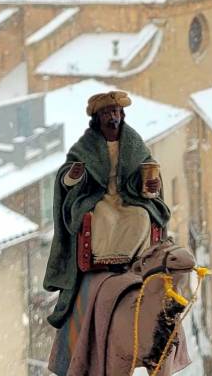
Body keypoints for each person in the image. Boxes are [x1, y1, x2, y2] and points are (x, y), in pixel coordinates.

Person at [42, 90, 170, 330]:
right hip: (97, 196)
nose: (112, 116)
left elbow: (148, 173)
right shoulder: (86, 146)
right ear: (98, 117)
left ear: (121, 113)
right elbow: (67, 178)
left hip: (129, 197)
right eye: (107, 113)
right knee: (102, 217)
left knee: (140, 216)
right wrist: (74, 176)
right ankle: (105, 260)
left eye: (115, 111)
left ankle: (132, 259)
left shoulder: (133, 143)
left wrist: (152, 185)